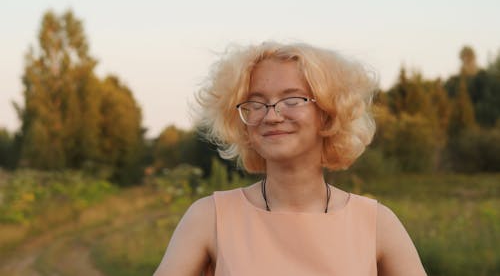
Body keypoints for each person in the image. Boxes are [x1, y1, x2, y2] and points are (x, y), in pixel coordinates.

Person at [153, 42, 427, 276]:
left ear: (328, 113)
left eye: (292, 100)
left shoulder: (377, 223)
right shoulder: (209, 217)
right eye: (256, 103)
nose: (271, 116)